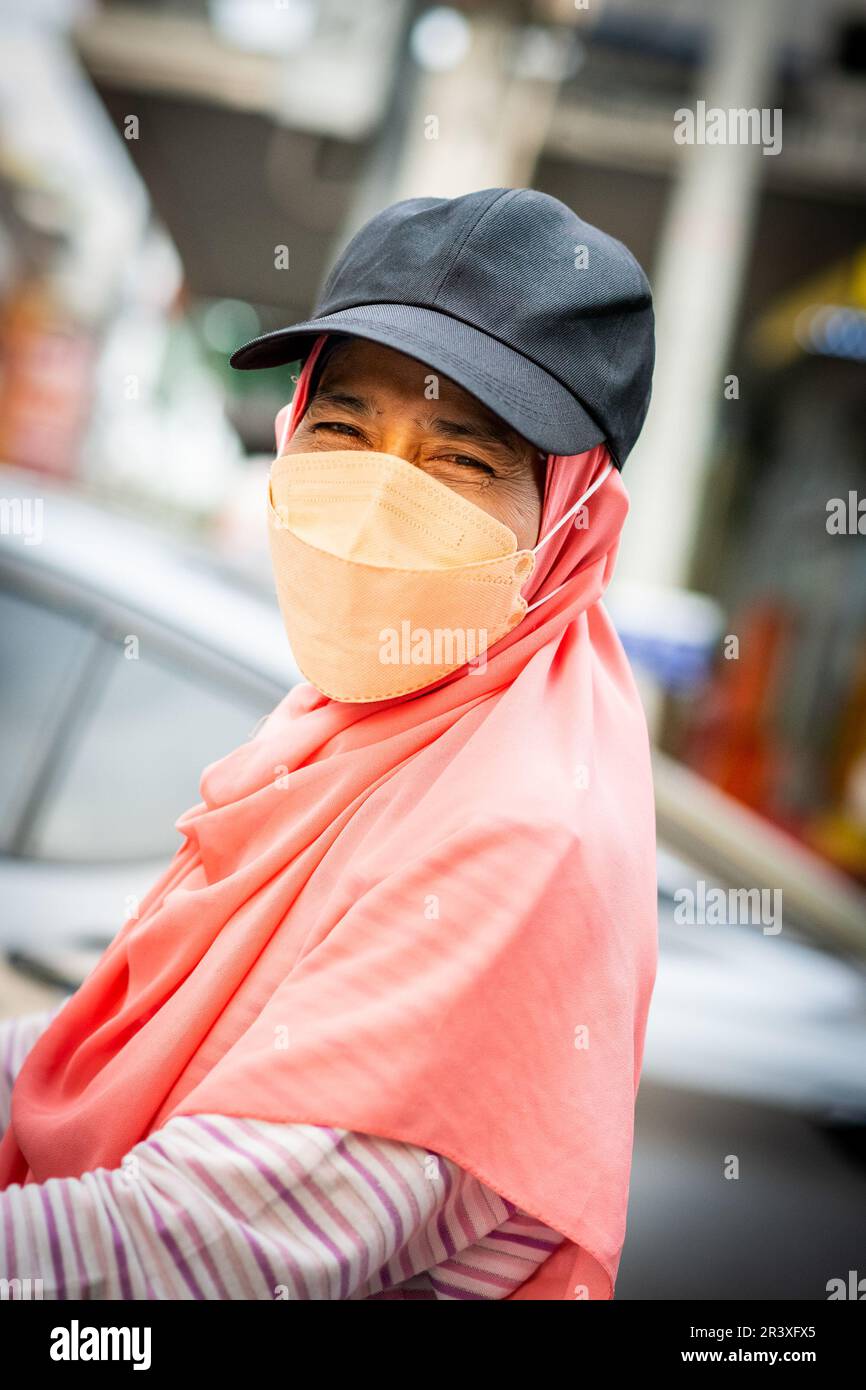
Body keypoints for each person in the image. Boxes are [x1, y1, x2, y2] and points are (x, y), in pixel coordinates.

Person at [0, 186, 658, 1300]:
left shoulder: (518, 837)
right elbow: (93, 1046)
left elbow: (176, 1257)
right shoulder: (356, 730)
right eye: (344, 429)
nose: (373, 499)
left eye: (458, 459)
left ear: (566, 521)